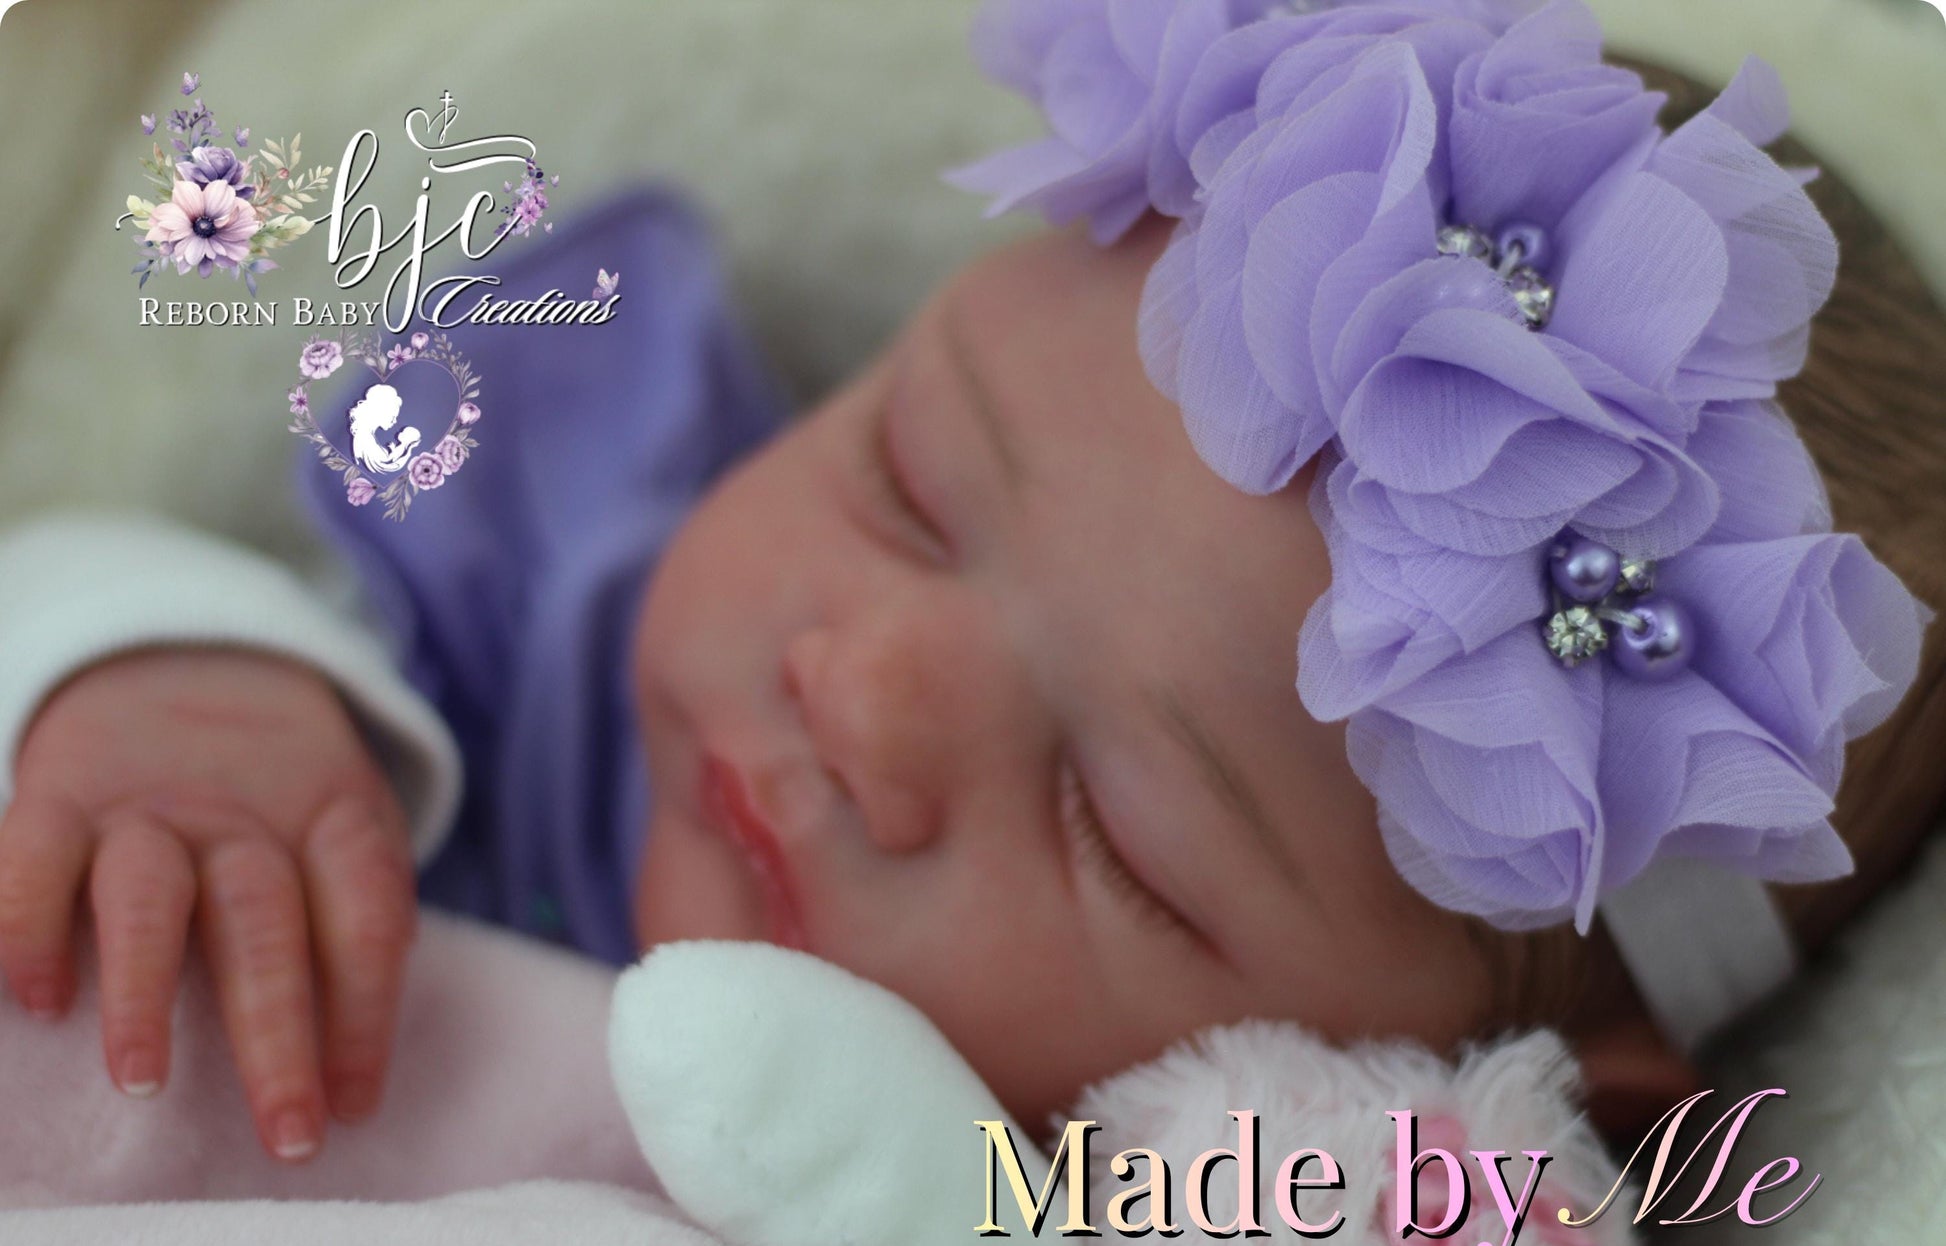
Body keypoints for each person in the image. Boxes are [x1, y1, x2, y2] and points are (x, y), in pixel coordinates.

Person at [0, 1, 1941, 1170]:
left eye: (1118, 831)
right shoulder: (524, 636)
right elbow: (82, 564)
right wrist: (173, 682)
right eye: (911, 490)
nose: (869, 691)